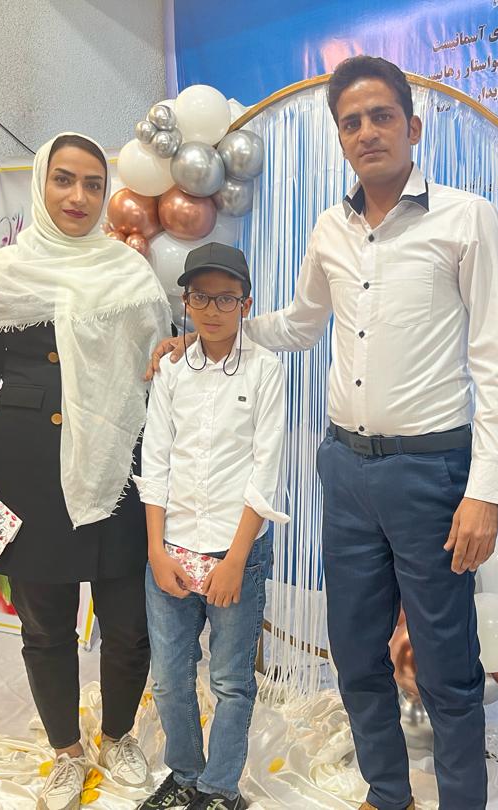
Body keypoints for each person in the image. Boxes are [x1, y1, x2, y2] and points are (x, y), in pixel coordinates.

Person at [151, 55, 498, 810]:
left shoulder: (465, 218)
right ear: (340, 138)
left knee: (448, 664)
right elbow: (301, 324)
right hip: (345, 471)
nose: (366, 132)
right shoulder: (330, 228)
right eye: (351, 123)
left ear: (412, 126)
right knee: (354, 653)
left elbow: (497, 366)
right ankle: (388, 795)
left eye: (381, 116)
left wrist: (483, 492)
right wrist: (214, 331)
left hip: (431, 473)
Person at [0, 133, 171, 810]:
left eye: (93, 184)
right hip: (29, 476)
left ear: (107, 194)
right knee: (45, 626)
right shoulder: (4, 273)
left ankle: (119, 735)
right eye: (64, 180)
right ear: (42, 184)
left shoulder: (129, 273)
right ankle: (67, 752)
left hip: (118, 469)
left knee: (129, 624)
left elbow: (158, 373)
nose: (79, 196)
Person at [135, 243, 288, 810]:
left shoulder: (266, 370)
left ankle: (220, 788)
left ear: (245, 304)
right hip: (172, 547)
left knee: (230, 681)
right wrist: (155, 551)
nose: (212, 309)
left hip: (234, 551)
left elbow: (264, 472)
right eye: (201, 296)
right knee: (169, 677)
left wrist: (236, 560)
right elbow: (156, 460)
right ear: (186, 300)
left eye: (226, 298)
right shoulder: (172, 368)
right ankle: (184, 775)